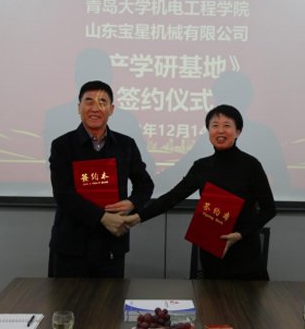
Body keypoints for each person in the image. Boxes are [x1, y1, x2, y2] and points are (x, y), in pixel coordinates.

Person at [109, 104, 276, 280]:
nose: (220, 130)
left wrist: (240, 235)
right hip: (211, 253)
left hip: (245, 253)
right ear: (208, 131)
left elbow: (269, 210)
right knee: (210, 296)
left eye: (227, 125)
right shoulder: (202, 166)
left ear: (238, 132)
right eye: (215, 125)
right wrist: (137, 217)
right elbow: (172, 197)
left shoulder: (251, 165)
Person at [48, 80, 154, 278]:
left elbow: (145, 185)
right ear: (79, 107)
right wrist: (103, 217)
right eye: (88, 101)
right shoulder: (62, 145)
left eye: (102, 102)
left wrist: (132, 203)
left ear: (111, 109)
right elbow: (63, 194)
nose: (95, 108)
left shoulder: (125, 145)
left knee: (110, 298)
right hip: (71, 245)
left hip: (111, 244)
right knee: (67, 298)